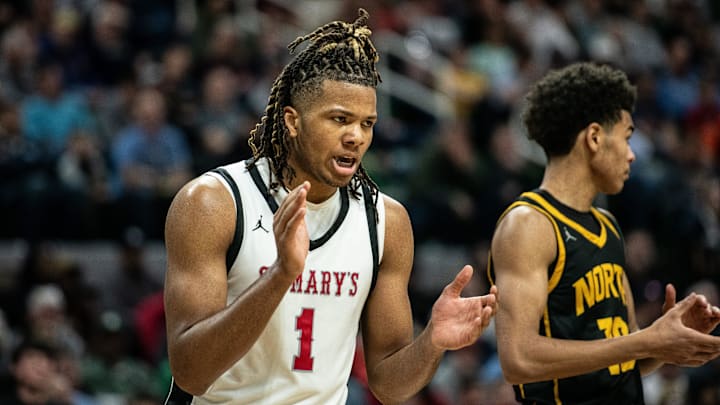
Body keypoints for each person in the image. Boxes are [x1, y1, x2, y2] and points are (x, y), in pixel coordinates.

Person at [163, 9, 497, 405]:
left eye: (367, 123)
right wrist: (281, 275)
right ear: (292, 120)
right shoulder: (213, 203)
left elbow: (389, 384)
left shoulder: (385, 221)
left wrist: (432, 343)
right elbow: (190, 372)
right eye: (340, 119)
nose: (356, 136)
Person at [487, 61, 720, 404]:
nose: (631, 155)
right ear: (594, 137)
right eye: (626, 138)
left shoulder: (608, 226)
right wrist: (648, 340)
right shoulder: (529, 224)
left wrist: (668, 341)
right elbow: (518, 358)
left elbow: (620, 361)